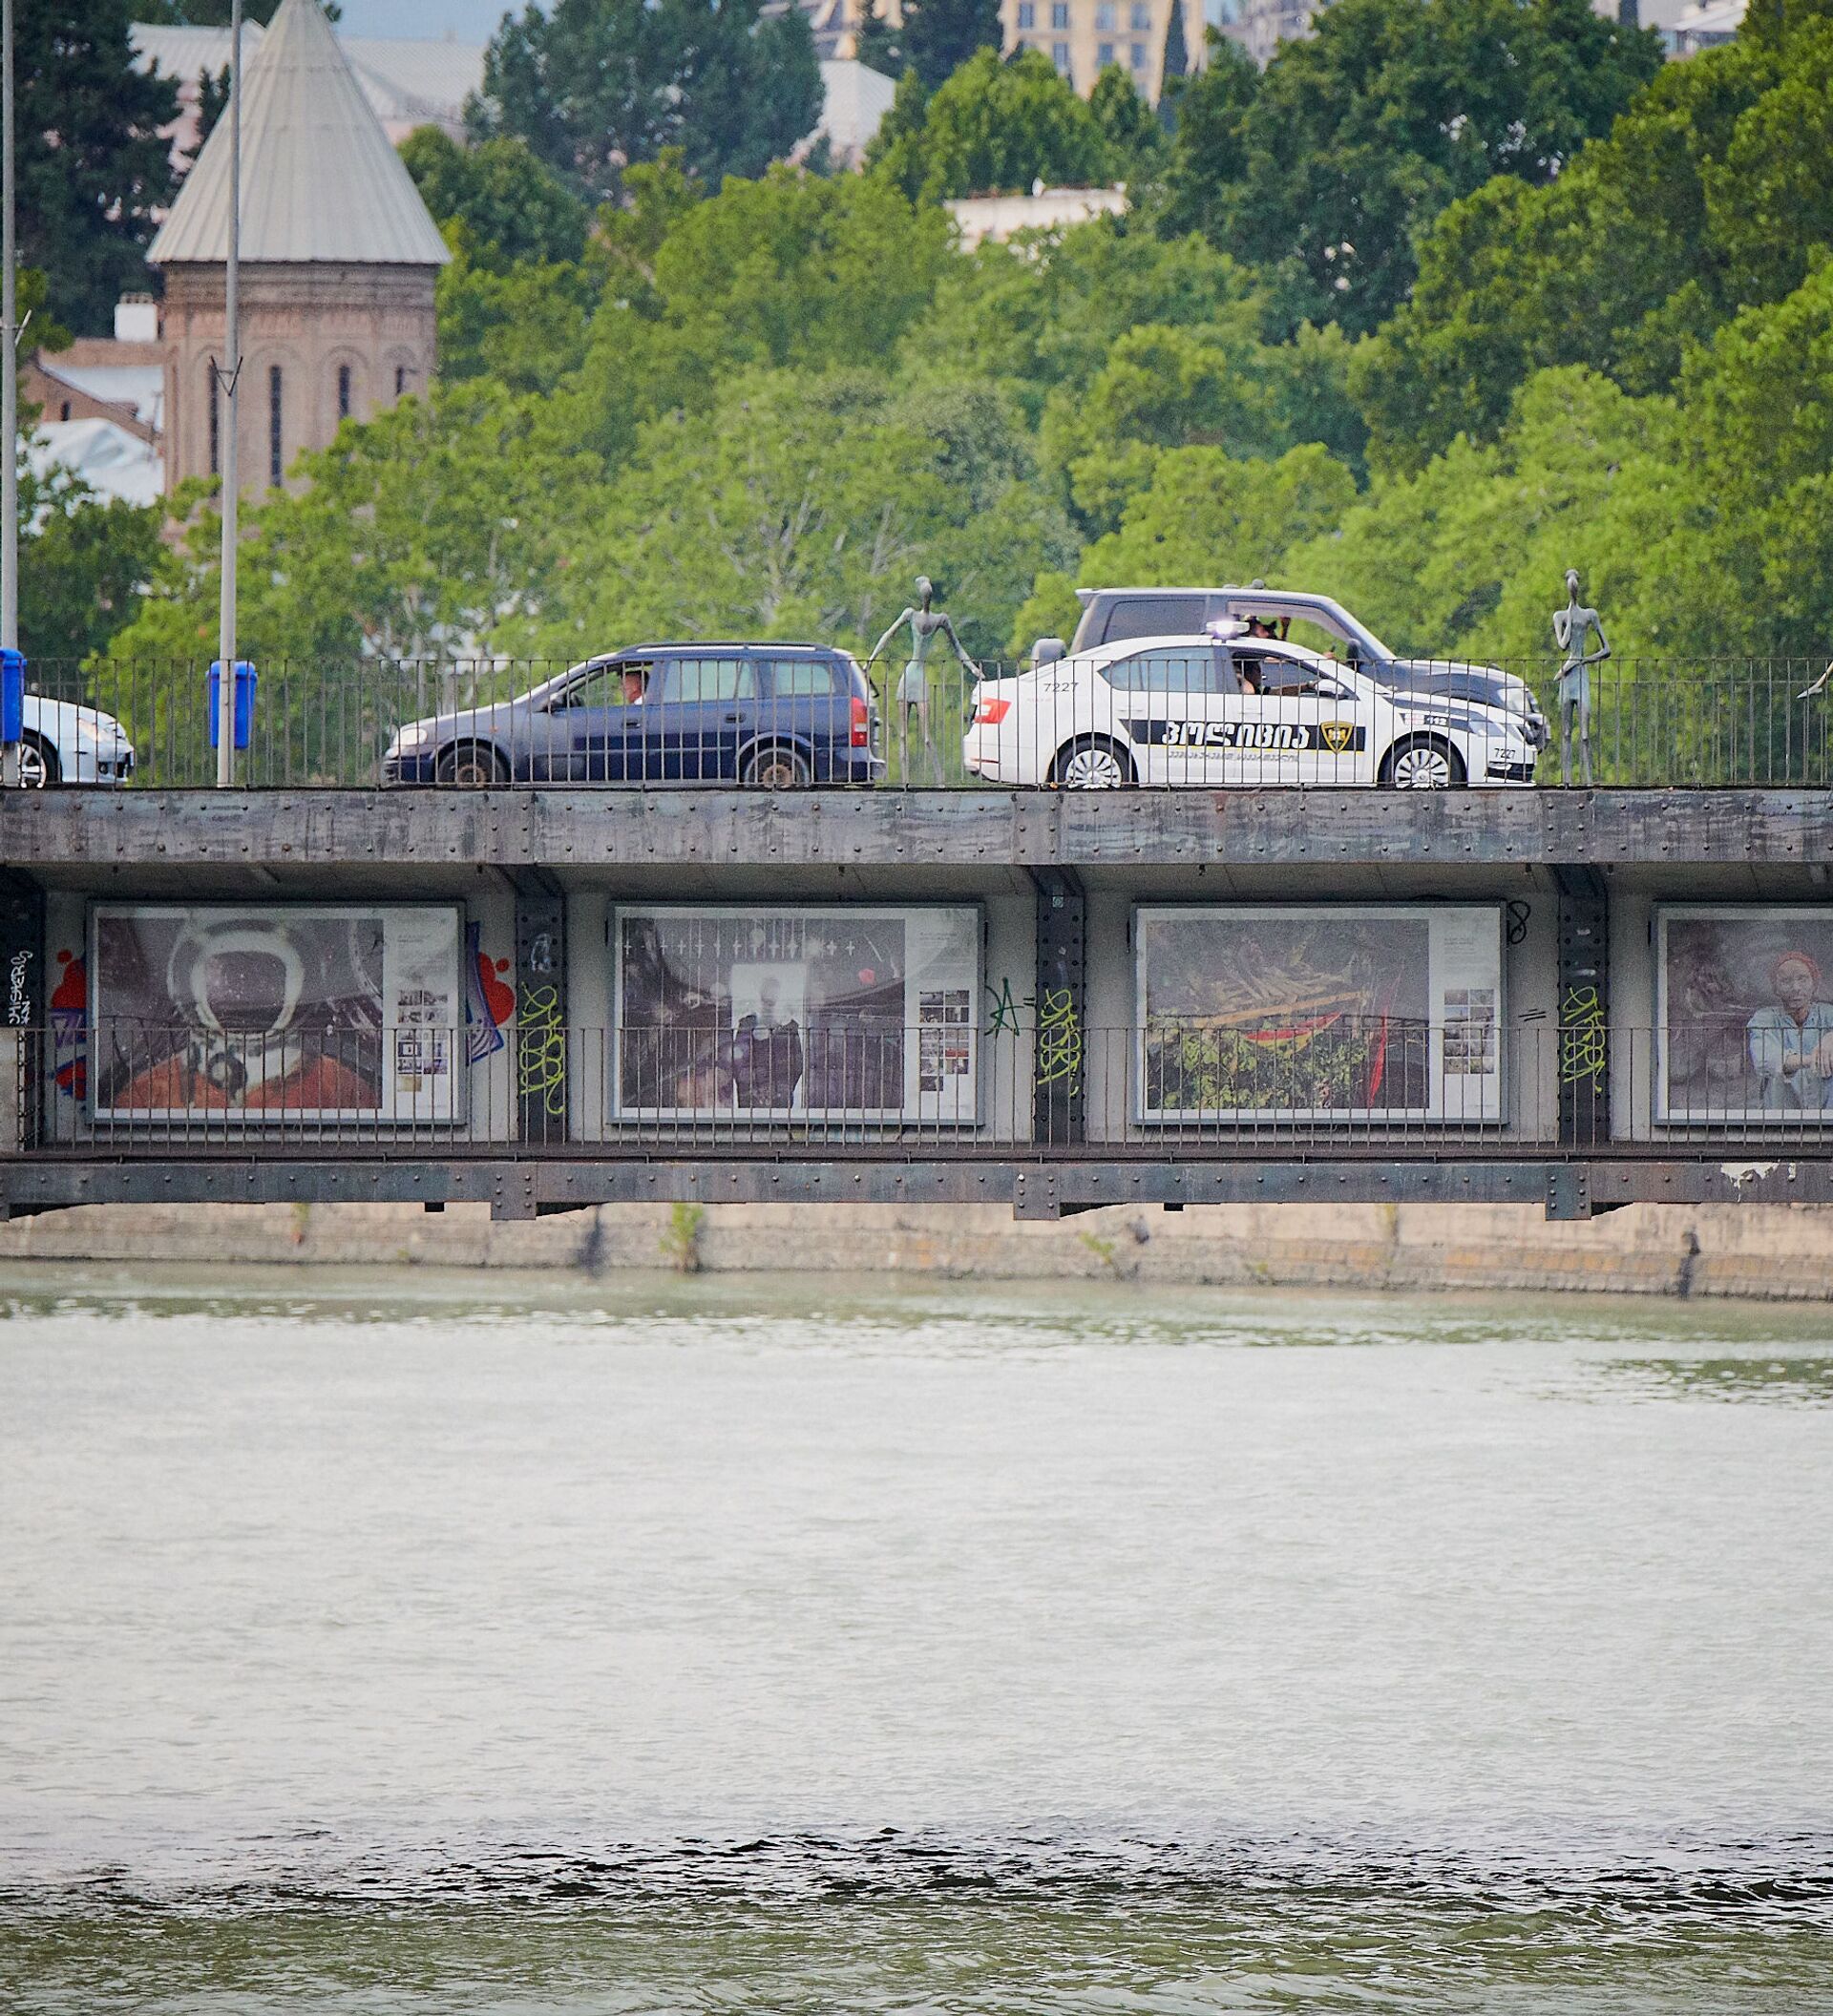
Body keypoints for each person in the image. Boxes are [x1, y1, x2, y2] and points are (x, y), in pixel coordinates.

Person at [1745, 951, 1833, 1108]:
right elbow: (1765, 1059)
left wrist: (1831, 1038)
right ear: (1775, 988)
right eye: (1786, 981)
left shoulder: (1828, 1013)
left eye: (1803, 979)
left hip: (1827, 1120)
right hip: (1781, 1121)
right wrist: (1815, 1059)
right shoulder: (1764, 1018)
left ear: (1814, 984)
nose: (1796, 988)